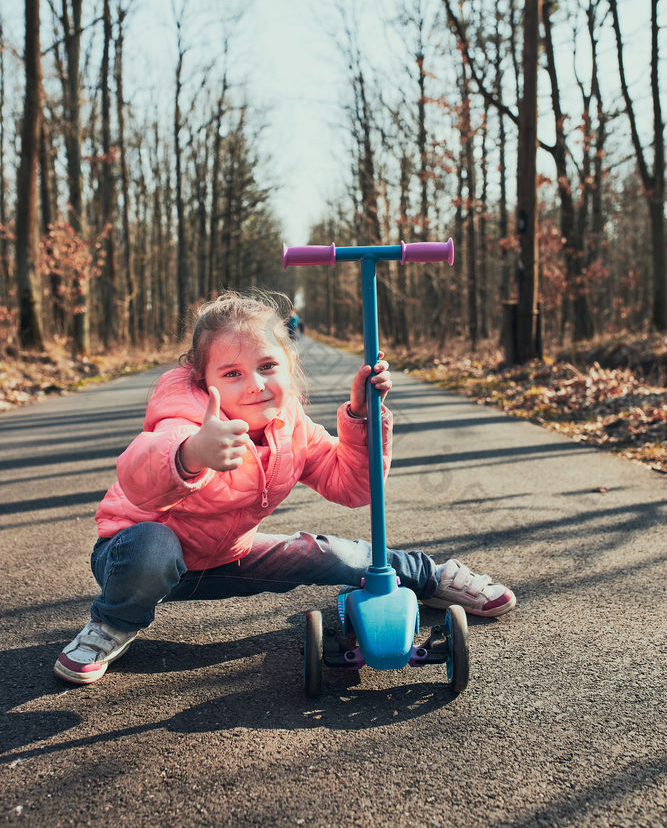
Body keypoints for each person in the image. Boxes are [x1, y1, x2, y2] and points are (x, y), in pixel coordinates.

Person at [54, 291, 516, 685]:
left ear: (289, 366)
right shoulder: (186, 421)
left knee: (336, 554)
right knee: (152, 547)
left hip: (226, 558)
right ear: (203, 380)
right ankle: (112, 623)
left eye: (267, 365)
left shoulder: (290, 426)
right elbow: (138, 479)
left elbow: (352, 486)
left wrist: (360, 417)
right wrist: (192, 452)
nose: (255, 384)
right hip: (134, 561)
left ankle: (427, 577)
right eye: (231, 373)